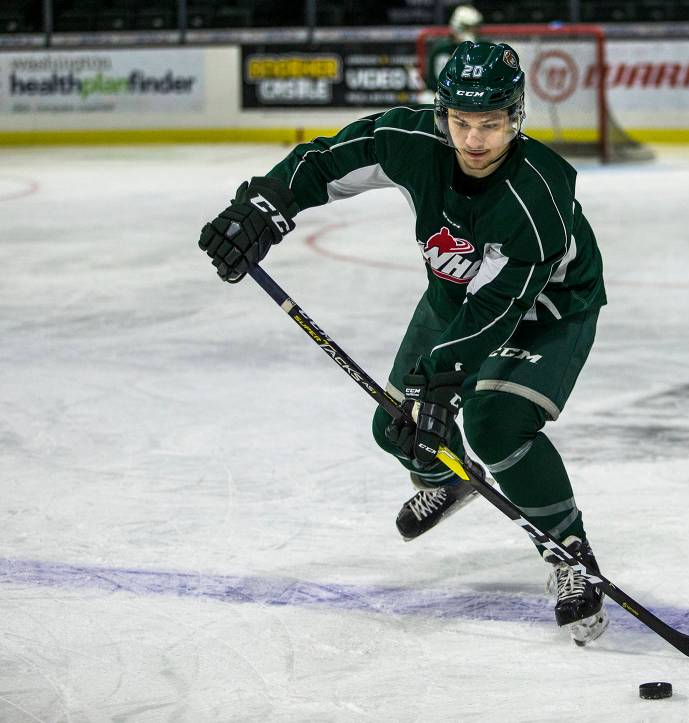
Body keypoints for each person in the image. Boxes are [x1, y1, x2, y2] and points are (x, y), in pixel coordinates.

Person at [198, 41, 609, 646]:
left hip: (548, 310)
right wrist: (265, 207)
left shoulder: (540, 195)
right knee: (398, 425)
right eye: (461, 123)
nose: (473, 140)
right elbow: (326, 161)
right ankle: (449, 481)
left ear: (515, 118)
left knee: (495, 426)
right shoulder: (412, 140)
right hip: (455, 295)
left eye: (490, 125)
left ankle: (571, 555)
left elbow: (503, 304)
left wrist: (442, 377)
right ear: (442, 116)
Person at [423, 4, 483, 94]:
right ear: (458, 26)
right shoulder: (442, 49)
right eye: (470, 28)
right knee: (427, 98)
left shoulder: (481, 47)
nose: (475, 31)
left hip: (474, 94)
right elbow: (436, 82)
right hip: (444, 94)